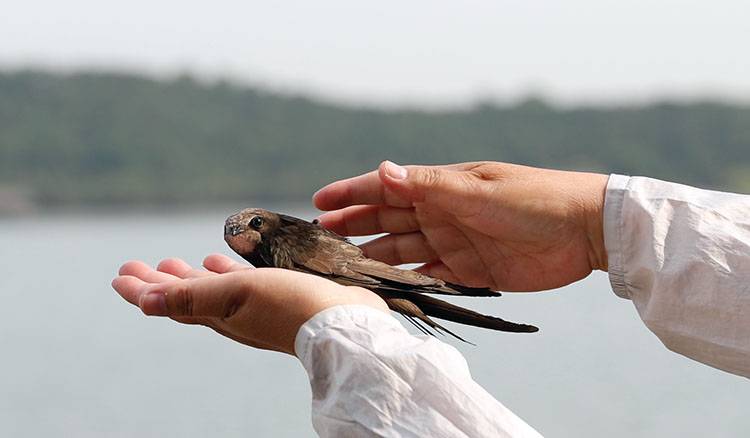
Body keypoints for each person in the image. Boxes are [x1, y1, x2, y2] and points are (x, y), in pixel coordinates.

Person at [112, 160, 750, 437]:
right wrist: (595, 222)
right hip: (362, 276)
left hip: (359, 279)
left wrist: (339, 332)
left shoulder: (292, 238)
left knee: (433, 304)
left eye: (245, 232)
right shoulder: (280, 242)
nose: (242, 242)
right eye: (235, 238)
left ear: (262, 226)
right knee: (438, 306)